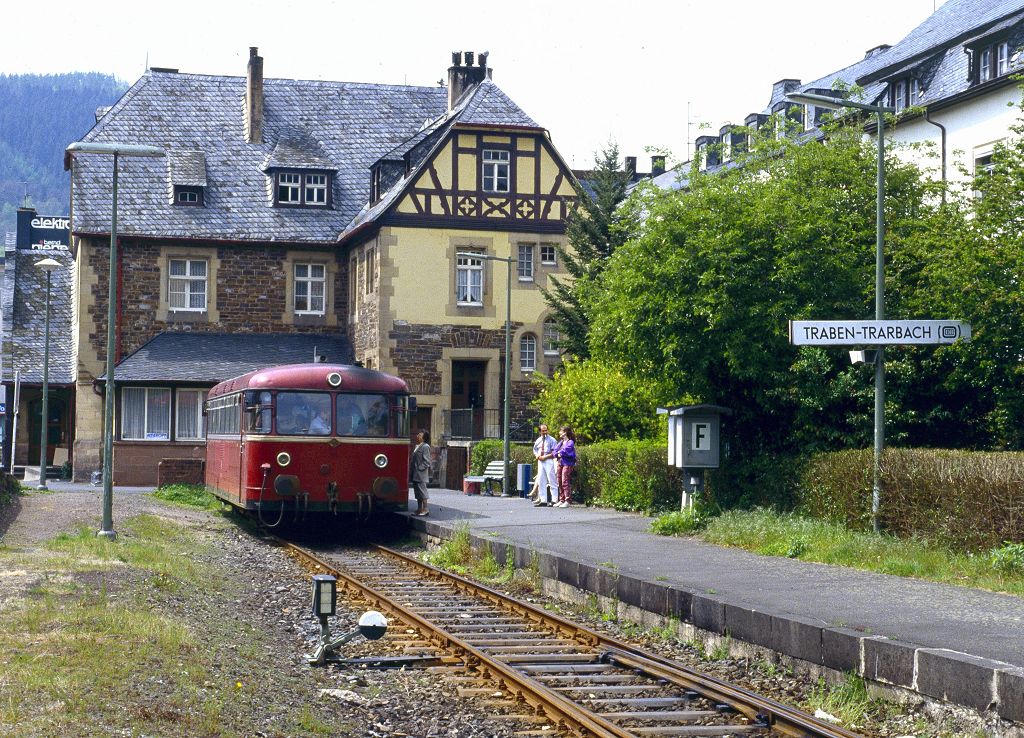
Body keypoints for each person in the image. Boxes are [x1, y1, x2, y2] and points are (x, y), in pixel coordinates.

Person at [531, 423, 557, 507]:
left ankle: (554, 500)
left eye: (546, 430)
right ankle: (543, 500)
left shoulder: (552, 440)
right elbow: (534, 449)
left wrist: (545, 457)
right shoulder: (538, 440)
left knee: (551, 479)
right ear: (540, 431)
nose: (545, 432)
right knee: (541, 480)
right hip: (540, 460)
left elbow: (554, 452)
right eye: (543, 431)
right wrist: (537, 455)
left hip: (548, 460)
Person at [553, 425, 577, 508]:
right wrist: (558, 453)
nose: (559, 432)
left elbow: (566, 450)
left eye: (561, 431)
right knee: (559, 480)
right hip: (560, 463)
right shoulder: (560, 442)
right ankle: (562, 499)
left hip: (567, 464)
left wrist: (559, 453)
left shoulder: (570, 442)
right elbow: (555, 451)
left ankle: (567, 500)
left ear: (565, 433)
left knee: (565, 481)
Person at [411, 429, 431, 516]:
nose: (418, 436)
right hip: (415, 473)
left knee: (422, 491)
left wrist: (419, 468)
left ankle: (426, 509)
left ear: (424, 437)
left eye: (420, 435)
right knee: (417, 492)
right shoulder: (417, 446)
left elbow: (427, 461)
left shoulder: (425, 446)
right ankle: (419, 509)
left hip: (421, 473)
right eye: (418, 434)